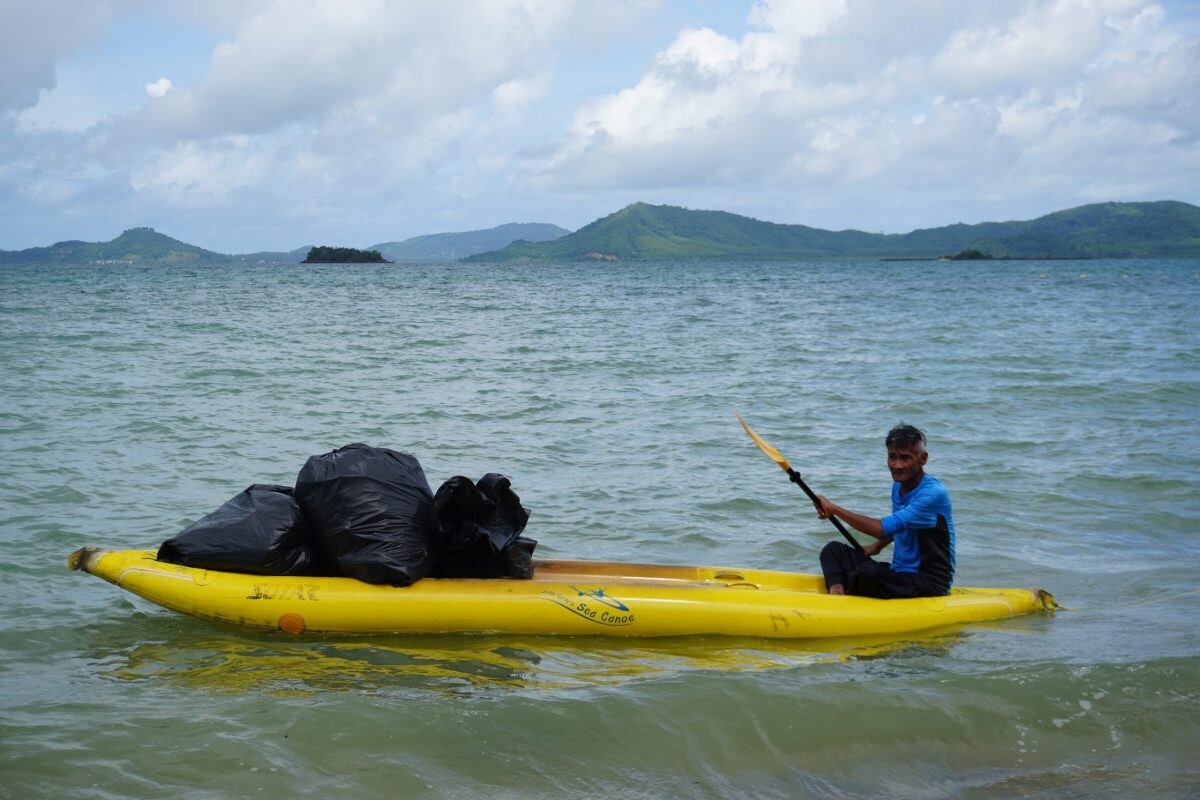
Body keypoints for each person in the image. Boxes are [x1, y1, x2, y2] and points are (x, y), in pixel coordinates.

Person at [816, 424, 955, 598]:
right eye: (892, 457)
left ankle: (848, 587)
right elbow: (901, 524)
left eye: (905, 458)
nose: (897, 465)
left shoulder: (932, 494)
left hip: (930, 581)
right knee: (833, 550)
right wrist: (876, 547)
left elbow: (881, 529)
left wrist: (834, 509)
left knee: (868, 575)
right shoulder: (899, 486)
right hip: (899, 573)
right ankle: (837, 593)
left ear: (923, 459)